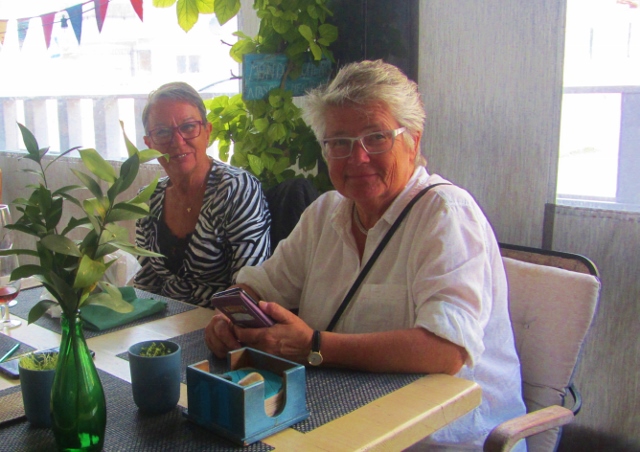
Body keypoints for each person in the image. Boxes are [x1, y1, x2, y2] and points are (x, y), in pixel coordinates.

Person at [204, 60, 526, 449]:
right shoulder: (325, 213)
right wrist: (230, 317)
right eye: (339, 142)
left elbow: (446, 351)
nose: (357, 158)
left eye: (376, 138)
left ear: (414, 141)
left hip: (445, 439)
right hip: (342, 420)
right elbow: (262, 285)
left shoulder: (446, 214)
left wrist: (313, 346)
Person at [134, 82, 271, 306]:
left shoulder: (236, 189)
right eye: (162, 132)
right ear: (149, 144)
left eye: (188, 127)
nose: (177, 141)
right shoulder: (148, 198)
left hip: (221, 320)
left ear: (207, 132)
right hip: (163, 320)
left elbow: (250, 286)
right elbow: (145, 285)